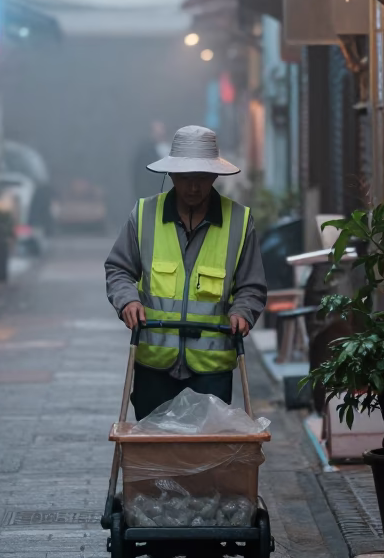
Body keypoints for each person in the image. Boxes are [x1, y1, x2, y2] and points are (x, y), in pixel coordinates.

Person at [105, 124, 267, 421]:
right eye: (185, 178)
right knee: (153, 455)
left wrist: (243, 311)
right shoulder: (143, 215)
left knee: (205, 459)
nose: (193, 187)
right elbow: (118, 269)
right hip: (155, 368)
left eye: (202, 178)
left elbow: (251, 286)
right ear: (172, 175)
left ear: (215, 176)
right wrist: (128, 300)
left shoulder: (240, 222)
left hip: (211, 371)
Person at [131, 121, 170, 200]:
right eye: (157, 132)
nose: (160, 134)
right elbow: (140, 176)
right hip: (150, 194)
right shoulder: (145, 152)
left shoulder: (169, 149)